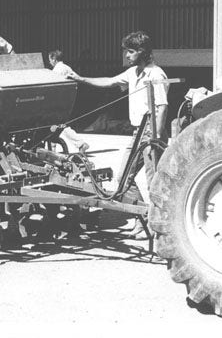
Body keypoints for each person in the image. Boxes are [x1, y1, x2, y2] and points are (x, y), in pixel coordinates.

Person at [70, 31, 169, 240]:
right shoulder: (133, 72)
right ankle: (140, 217)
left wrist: (156, 138)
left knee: (153, 181)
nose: (127, 56)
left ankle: (154, 226)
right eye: (127, 51)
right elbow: (109, 81)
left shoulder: (156, 75)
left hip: (151, 132)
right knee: (124, 177)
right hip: (137, 132)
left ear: (142, 52)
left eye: (131, 52)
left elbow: (161, 107)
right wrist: (80, 78)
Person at [48, 49, 90, 154]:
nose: (49, 62)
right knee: (57, 126)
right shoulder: (67, 68)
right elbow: (77, 79)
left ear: (54, 58)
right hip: (68, 101)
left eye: (50, 59)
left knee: (58, 125)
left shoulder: (56, 70)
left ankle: (80, 143)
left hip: (57, 102)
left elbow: (52, 88)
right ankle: (53, 148)